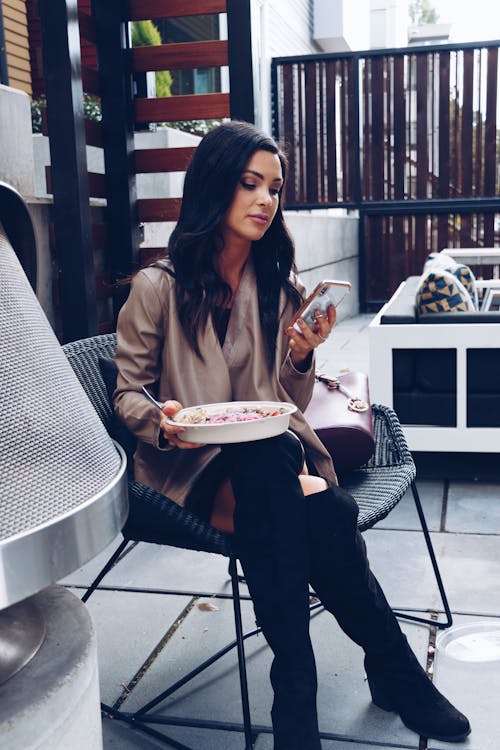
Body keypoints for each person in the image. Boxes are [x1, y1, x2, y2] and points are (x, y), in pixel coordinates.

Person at [113, 120, 470, 749]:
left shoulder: (277, 285)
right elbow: (127, 393)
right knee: (323, 510)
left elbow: (288, 400)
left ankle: (297, 702)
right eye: (250, 184)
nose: (265, 200)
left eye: (274, 188)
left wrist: (302, 357)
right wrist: (161, 420)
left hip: (266, 460)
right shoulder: (157, 288)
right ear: (214, 187)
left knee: (275, 473)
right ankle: (395, 674)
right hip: (189, 465)